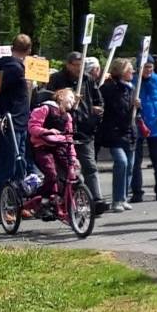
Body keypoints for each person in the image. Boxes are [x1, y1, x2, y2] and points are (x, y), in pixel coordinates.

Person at [48, 53, 106, 213]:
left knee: (90, 166)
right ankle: (66, 200)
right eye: (76, 64)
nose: (79, 68)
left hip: (84, 130)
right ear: (68, 64)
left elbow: (98, 100)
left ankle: (96, 199)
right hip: (63, 130)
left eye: (81, 64)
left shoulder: (87, 79)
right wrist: (68, 102)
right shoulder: (57, 79)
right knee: (64, 169)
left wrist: (96, 112)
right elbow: (49, 101)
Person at [0, 34, 32, 224]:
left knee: (19, 166)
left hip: (19, 122)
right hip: (10, 123)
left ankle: (17, 205)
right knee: (7, 167)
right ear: (28, 50)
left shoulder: (17, 67)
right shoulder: (12, 68)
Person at [28, 88, 80, 211]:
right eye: (71, 97)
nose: (73, 101)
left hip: (60, 147)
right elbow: (32, 127)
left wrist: (73, 157)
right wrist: (46, 131)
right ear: (61, 97)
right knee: (51, 174)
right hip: (42, 147)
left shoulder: (67, 117)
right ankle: (43, 197)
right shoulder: (45, 109)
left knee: (74, 173)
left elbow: (69, 139)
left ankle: (68, 201)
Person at [98, 58, 137, 211]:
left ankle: (123, 197)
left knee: (130, 166)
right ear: (121, 72)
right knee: (122, 163)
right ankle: (116, 200)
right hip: (114, 132)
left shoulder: (131, 88)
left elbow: (130, 112)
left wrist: (136, 107)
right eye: (129, 70)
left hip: (129, 131)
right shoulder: (108, 88)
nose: (132, 72)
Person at [131, 61, 157, 203]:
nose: (148, 70)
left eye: (150, 68)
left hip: (155, 124)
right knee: (136, 161)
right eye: (145, 67)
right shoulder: (133, 80)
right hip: (138, 124)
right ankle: (136, 192)